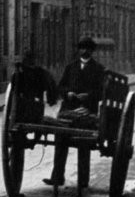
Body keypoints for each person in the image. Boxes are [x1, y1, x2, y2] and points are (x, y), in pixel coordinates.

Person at [44, 36, 105, 188]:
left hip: (87, 111)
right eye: (82, 48)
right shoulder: (70, 67)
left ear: (91, 51)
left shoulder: (99, 69)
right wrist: (68, 93)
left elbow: (101, 91)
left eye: (87, 49)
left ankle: (83, 181)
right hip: (68, 109)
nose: (84, 51)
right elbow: (61, 86)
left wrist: (89, 96)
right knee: (60, 140)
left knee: (83, 143)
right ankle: (57, 177)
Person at [13, 50, 58, 123]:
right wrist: (51, 99)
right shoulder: (41, 72)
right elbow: (50, 85)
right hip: (34, 105)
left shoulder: (20, 73)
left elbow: (14, 89)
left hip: (25, 106)